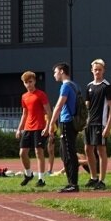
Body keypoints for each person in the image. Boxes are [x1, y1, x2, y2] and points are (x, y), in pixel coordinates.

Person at [83, 58, 111, 190]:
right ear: (92, 70)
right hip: (89, 123)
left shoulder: (107, 86)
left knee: (101, 150)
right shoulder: (89, 86)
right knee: (87, 149)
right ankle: (93, 177)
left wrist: (108, 126)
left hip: (100, 123)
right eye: (95, 69)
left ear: (103, 71)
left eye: (100, 70)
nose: (97, 72)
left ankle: (101, 180)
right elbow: (87, 106)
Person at [48, 62, 81, 193]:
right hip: (72, 122)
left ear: (62, 71)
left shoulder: (66, 86)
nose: (54, 75)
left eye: (55, 72)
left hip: (67, 122)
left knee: (69, 153)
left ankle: (73, 183)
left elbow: (59, 105)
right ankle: (71, 182)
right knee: (65, 152)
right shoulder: (75, 85)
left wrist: (51, 123)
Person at [16, 71, 51, 187]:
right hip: (27, 128)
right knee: (22, 153)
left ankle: (41, 179)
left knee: (38, 151)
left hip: (40, 127)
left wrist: (47, 127)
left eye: (30, 82)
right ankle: (28, 174)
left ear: (34, 81)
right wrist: (19, 129)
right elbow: (24, 114)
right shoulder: (24, 96)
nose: (28, 84)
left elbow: (49, 112)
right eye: (26, 82)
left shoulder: (41, 94)